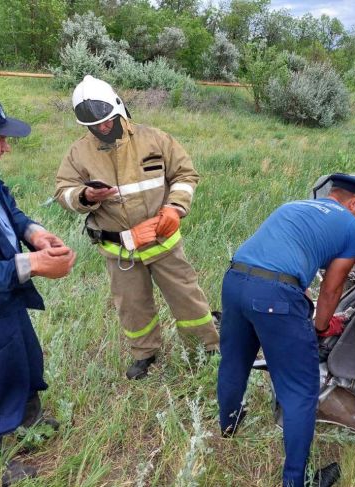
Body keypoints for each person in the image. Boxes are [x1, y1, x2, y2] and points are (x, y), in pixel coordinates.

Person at [217, 174, 355, 487]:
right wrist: (321, 326)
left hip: (235, 280)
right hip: (274, 297)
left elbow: (281, 259)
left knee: (234, 362)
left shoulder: (292, 207)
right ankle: (296, 481)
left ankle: (229, 425)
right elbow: (333, 290)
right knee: (300, 391)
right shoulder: (349, 226)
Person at [54, 75, 219, 380]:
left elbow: (186, 175)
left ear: (119, 109)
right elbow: (63, 191)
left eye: (107, 121)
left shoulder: (155, 139)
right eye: (95, 126)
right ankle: (145, 354)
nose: (102, 128)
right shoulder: (78, 153)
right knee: (132, 306)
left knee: (187, 298)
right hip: (120, 251)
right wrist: (85, 195)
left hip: (163, 242)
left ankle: (206, 349)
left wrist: (175, 207)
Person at [0, 88, 76, 485]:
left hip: (5, 297)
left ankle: (29, 421)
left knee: (25, 360)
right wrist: (32, 264)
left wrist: (36, 234)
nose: (6, 148)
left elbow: (8, 212)